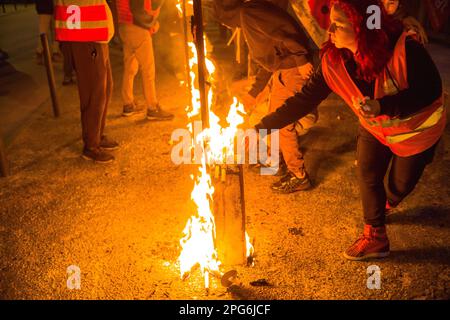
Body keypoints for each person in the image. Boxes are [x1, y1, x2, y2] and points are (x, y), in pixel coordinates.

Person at [253, 0, 445, 260]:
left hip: (416, 134)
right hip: (374, 129)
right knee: (367, 172)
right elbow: (305, 98)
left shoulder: (405, 49)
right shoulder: (334, 60)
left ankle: (390, 199)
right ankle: (376, 236)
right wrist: (263, 127)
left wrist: (383, 105)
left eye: (338, 25)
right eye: (330, 22)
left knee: (399, 186)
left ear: (362, 28)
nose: (329, 30)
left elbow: (430, 90)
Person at [214, 0, 317, 194]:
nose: (225, 26)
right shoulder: (248, 17)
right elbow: (270, 60)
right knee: (271, 114)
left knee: (282, 122)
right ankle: (275, 160)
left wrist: (301, 58)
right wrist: (253, 94)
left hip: (292, 69)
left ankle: (299, 175)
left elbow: (284, 28)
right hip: (284, 68)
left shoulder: (249, 12)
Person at [55, 0, 119, 163]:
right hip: (87, 36)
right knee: (94, 94)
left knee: (105, 89)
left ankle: (97, 135)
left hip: (95, 36)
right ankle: (91, 146)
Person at [117, 0, 174, 120]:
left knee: (130, 67)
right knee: (148, 69)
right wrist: (151, 23)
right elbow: (139, 9)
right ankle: (152, 108)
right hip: (138, 28)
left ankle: (128, 104)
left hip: (124, 25)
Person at [35, 0, 62, 65]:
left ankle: (55, 52)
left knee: (56, 30)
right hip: (46, 6)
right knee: (44, 31)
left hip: (54, 6)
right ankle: (40, 52)